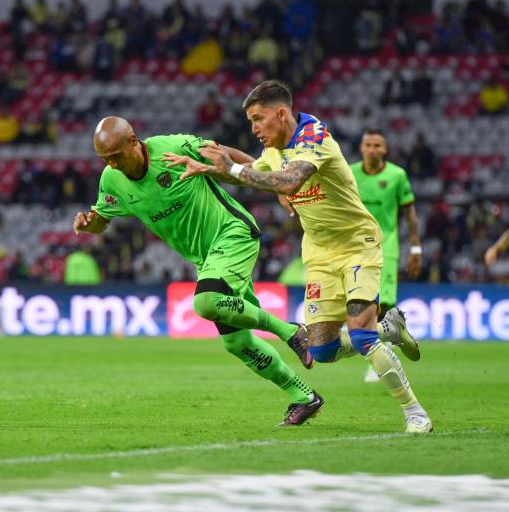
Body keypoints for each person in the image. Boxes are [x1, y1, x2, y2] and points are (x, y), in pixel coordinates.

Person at [165, 80, 432, 433]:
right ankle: (389, 327)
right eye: (249, 122)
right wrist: (210, 162)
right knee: (322, 350)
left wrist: (231, 168)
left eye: (258, 119)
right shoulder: (274, 149)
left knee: (362, 335)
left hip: (357, 244)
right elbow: (256, 171)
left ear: (281, 113)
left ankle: (415, 413)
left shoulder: (313, 136)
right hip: (319, 253)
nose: (254, 128)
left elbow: (289, 181)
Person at [73, 116, 322, 427]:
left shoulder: (174, 148)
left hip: (233, 234)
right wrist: (87, 223)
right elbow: (102, 218)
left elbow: (224, 154)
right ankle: (305, 395)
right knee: (237, 343)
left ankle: (291, 331)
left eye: (116, 155)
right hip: (207, 259)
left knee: (205, 302)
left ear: (133, 140)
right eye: (105, 159)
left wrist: (275, 181)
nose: (112, 163)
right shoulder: (111, 179)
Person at [350, 129, 422, 383]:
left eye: (377, 145)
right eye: (367, 144)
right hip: (354, 246)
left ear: (385, 149)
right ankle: (386, 344)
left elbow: (410, 214)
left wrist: (415, 248)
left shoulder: (397, 175)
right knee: (358, 303)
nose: (372, 149)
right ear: (361, 147)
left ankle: (380, 356)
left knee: (383, 303)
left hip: (386, 246)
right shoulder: (350, 173)